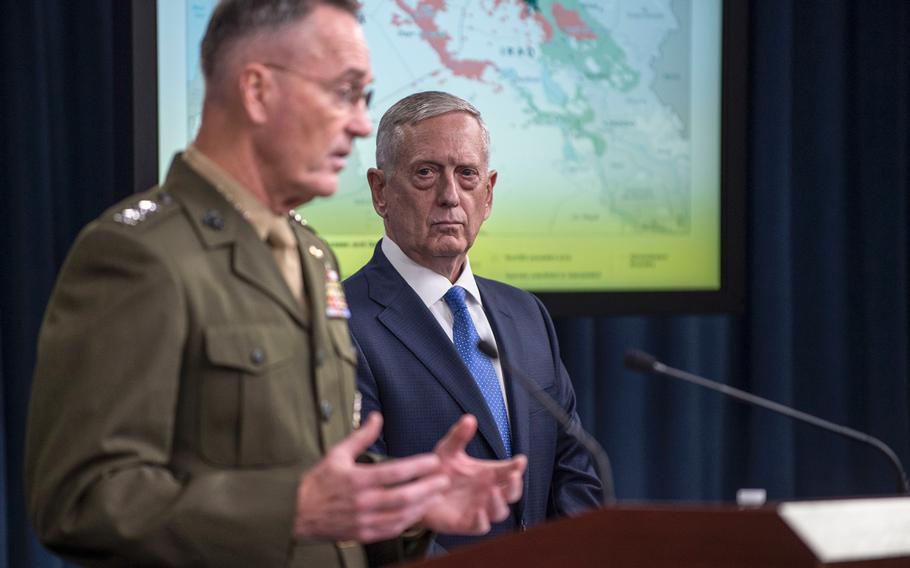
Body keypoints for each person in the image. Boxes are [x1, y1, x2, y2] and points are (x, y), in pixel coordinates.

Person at [24, 3, 525, 567]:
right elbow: (79, 502)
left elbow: (314, 469)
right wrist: (291, 508)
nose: (360, 124)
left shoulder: (310, 256)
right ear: (258, 91)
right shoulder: (138, 256)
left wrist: (410, 500)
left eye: (361, 98)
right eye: (342, 92)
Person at [343, 91, 603, 552]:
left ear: (489, 192)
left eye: (467, 175)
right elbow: (363, 497)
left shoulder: (526, 315)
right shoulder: (344, 323)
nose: (450, 196)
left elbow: (571, 468)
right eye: (426, 173)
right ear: (380, 191)